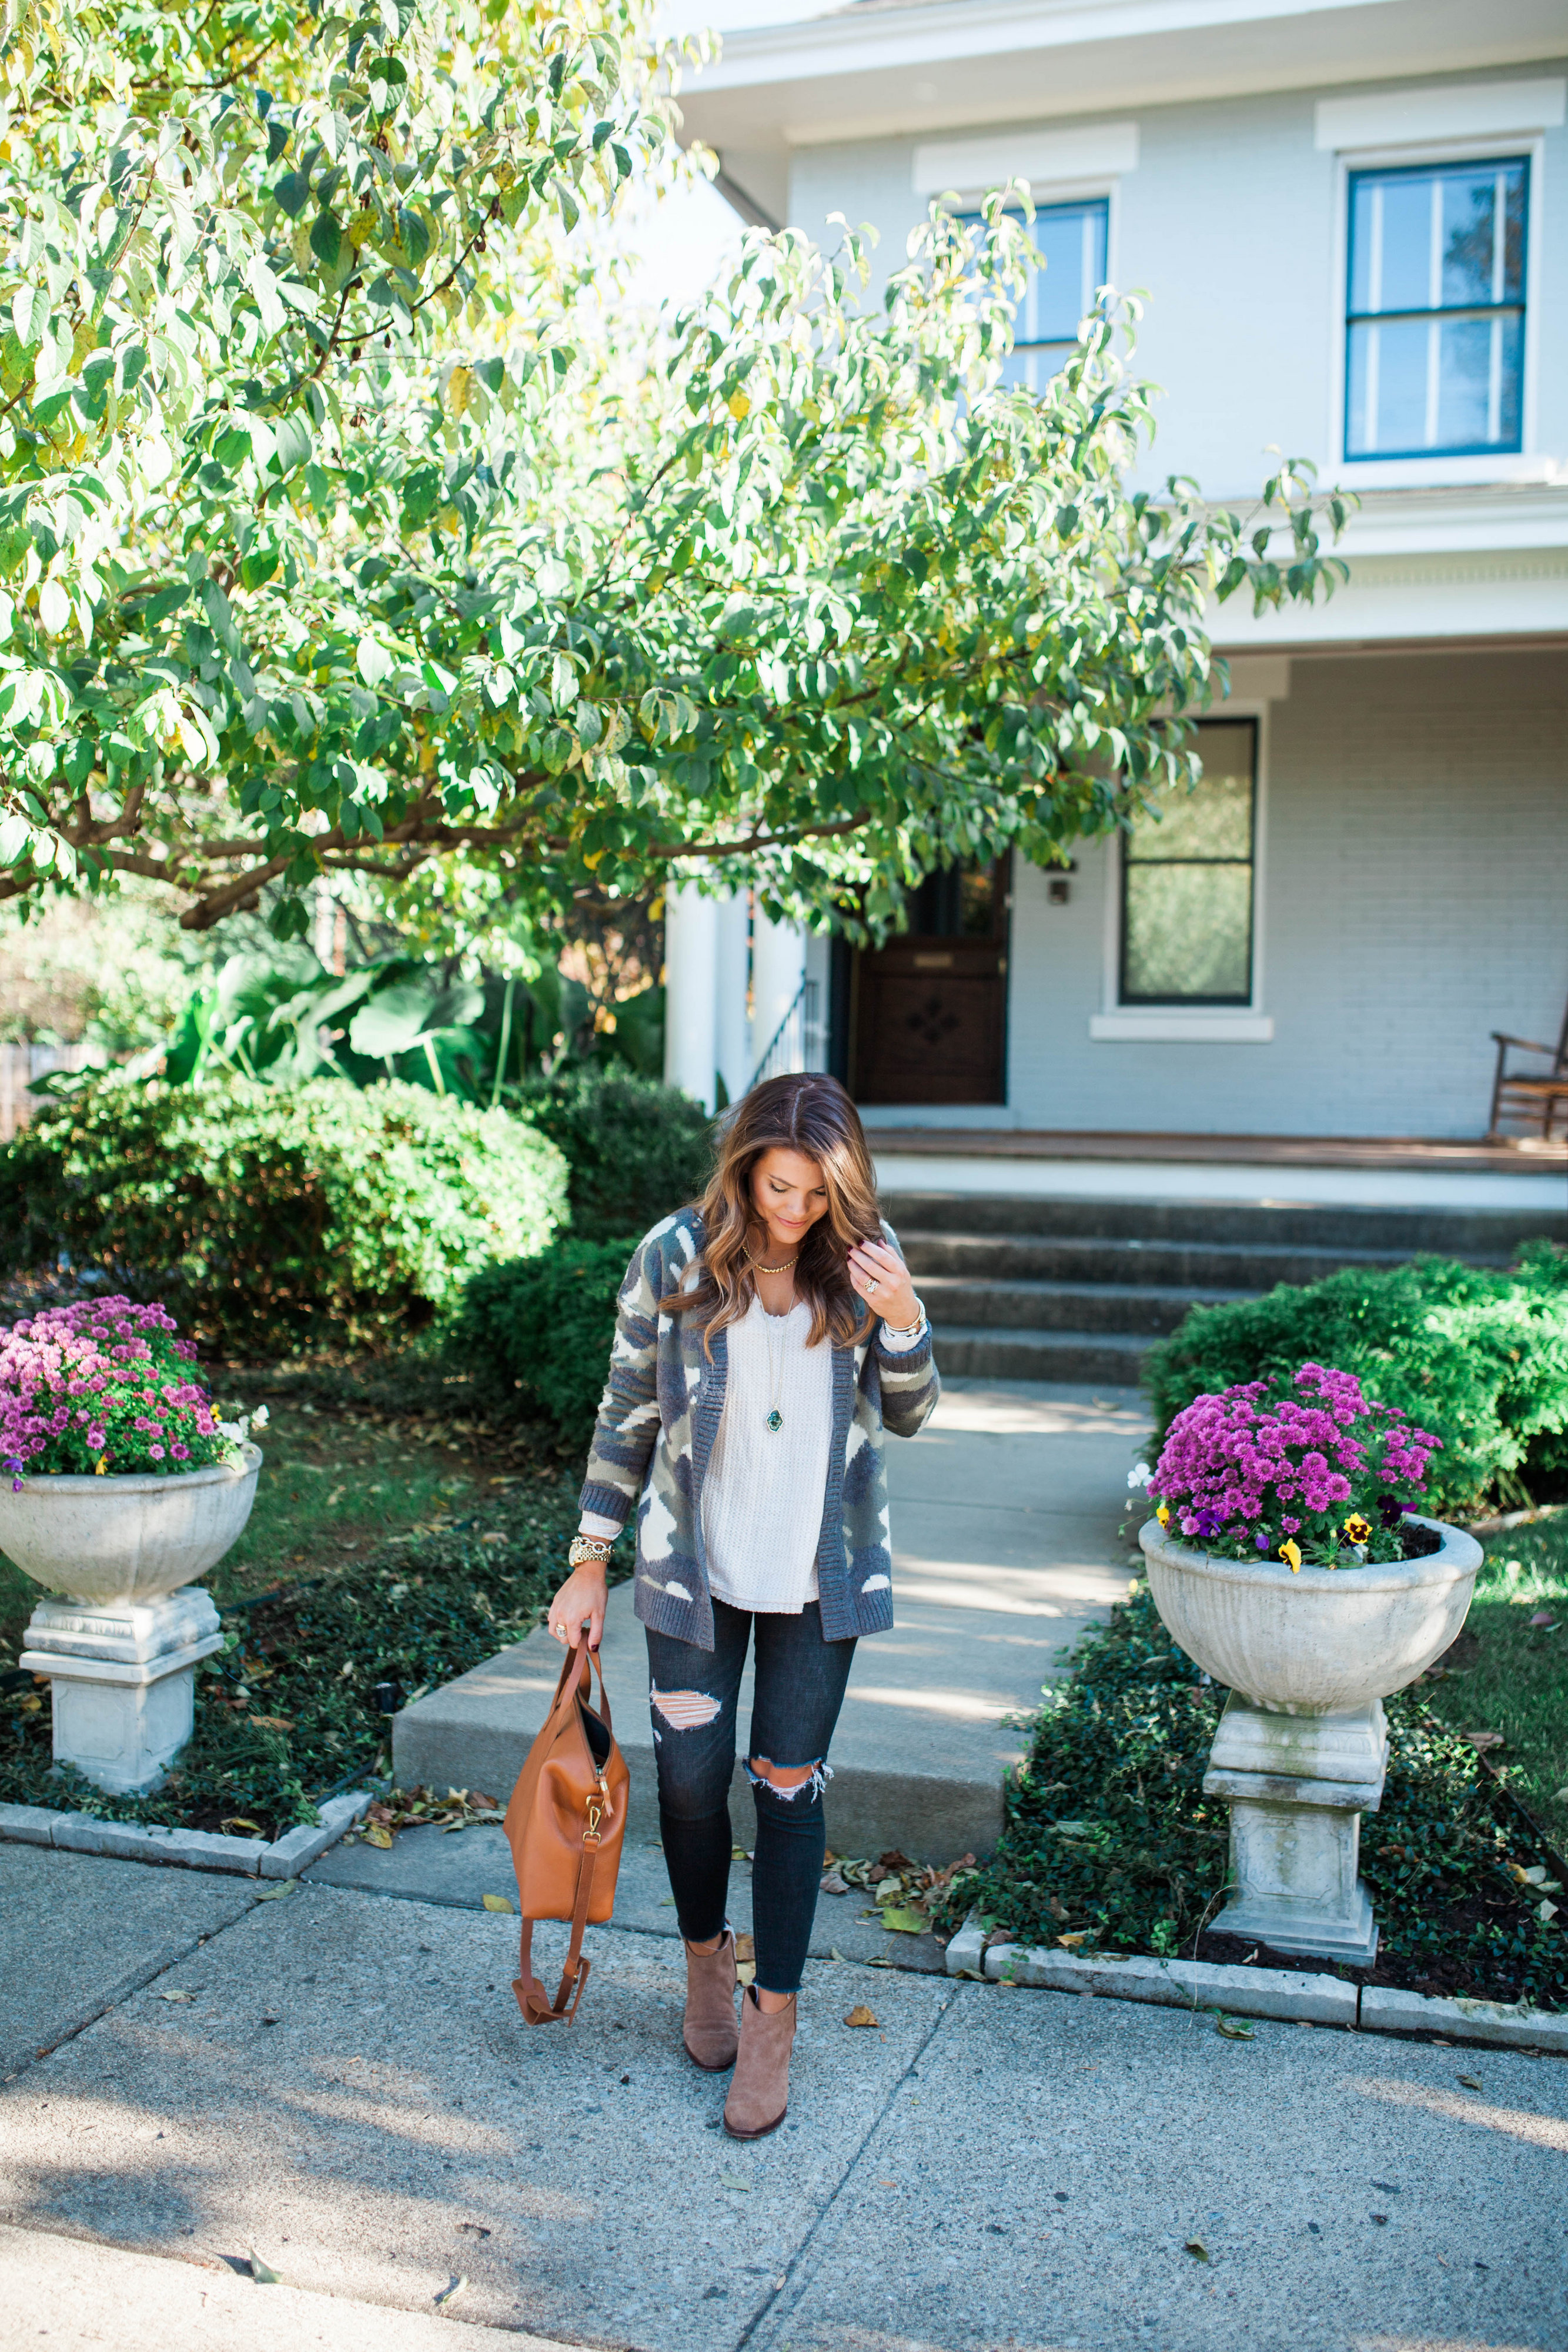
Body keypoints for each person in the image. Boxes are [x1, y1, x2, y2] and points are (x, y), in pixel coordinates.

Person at [544, 1071, 940, 2137]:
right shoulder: (676, 1253)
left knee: (789, 1789)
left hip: (819, 1579)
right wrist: (590, 1558)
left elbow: (909, 1414)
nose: (794, 1210)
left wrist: (903, 1320)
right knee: (686, 1784)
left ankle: (773, 2024)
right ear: (744, 1165)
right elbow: (626, 1407)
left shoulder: (865, 1255)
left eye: (816, 1192)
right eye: (777, 1186)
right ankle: (705, 1968)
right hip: (694, 1575)